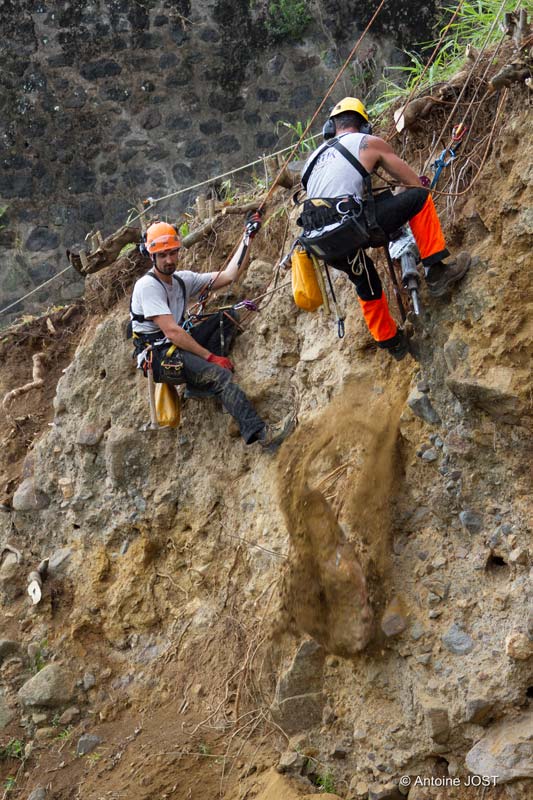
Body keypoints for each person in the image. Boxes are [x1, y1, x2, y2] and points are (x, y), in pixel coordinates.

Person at [300, 97, 471, 360]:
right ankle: (436, 270)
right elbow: (413, 182)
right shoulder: (368, 143)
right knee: (420, 197)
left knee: (363, 276)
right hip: (353, 225)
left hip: (321, 240)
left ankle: (391, 341)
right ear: (364, 126)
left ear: (330, 128)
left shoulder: (311, 160)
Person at [130, 218, 294, 449]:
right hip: (159, 357)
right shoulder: (148, 287)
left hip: (174, 346)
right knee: (221, 376)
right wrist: (209, 357)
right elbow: (173, 332)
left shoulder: (182, 280)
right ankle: (261, 435)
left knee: (226, 319)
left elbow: (229, 276)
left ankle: (199, 383)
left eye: (172, 253)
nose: (168, 260)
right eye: (162, 255)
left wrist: (248, 237)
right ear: (152, 257)